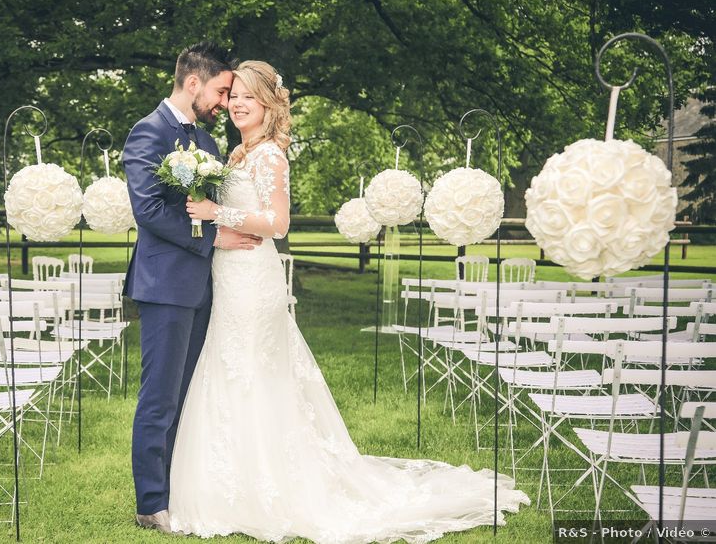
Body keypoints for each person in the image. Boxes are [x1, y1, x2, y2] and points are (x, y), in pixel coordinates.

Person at [172, 60, 530, 543]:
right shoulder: (237, 154)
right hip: (230, 273)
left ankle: (270, 488)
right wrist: (215, 231)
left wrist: (218, 212)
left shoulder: (272, 156)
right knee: (231, 367)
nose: (236, 103)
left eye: (248, 97)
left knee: (254, 370)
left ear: (269, 105)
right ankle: (231, 483)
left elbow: (278, 225)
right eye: (233, 94)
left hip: (254, 281)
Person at [122, 42, 263, 531]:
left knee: (187, 395)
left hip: (204, 288)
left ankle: (179, 490)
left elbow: (214, 201)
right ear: (194, 83)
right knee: (159, 397)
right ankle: (150, 504)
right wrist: (214, 237)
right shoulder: (147, 133)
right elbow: (150, 210)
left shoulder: (205, 143)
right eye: (222, 91)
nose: (225, 102)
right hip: (164, 284)